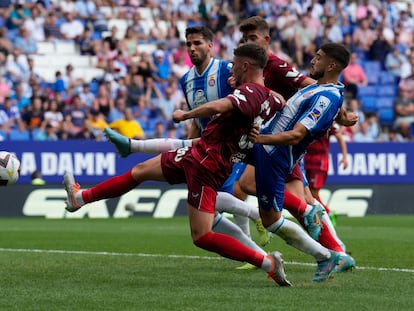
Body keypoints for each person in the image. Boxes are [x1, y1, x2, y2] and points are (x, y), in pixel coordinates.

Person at [63, 43, 292, 287]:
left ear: (246, 66)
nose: (231, 69)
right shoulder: (270, 99)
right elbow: (279, 105)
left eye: (235, 64)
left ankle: (267, 263)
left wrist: (186, 114)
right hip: (201, 152)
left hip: (208, 163)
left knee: (202, 235)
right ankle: (81, 198)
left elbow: (221, 105)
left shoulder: (251, 92)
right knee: (140, 171)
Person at [247, 43, 356, 281]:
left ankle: (327, 254)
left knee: (271, 220)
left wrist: (261, 138)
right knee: (235, 173)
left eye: (318, 57)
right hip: (267, 148)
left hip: (273, 154)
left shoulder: (327, 97)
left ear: (332, 65)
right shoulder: (318, 88)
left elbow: (297, 134)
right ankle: (321, 237)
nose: (313, 60)